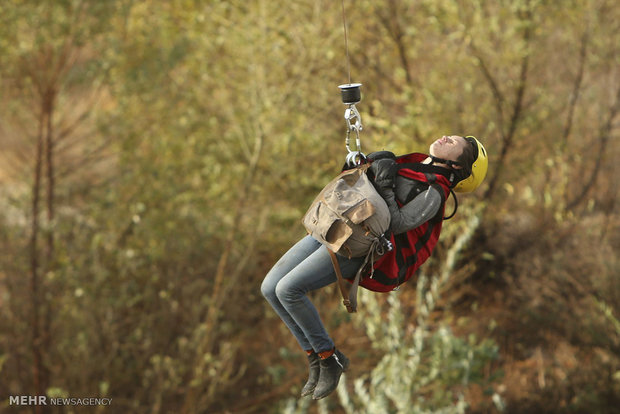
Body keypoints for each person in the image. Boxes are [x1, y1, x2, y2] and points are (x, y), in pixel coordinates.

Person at [261, 135, 488, 400]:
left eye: (455, 143)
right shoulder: (411, 164)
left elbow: (398, 223)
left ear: (458, 166)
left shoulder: (434, 194)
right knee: (269, 288)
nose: (447, 137)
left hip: (357, 246)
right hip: (337, 223)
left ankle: (329, 357)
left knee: (289, 289)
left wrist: (385, 182)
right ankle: (315, 358)